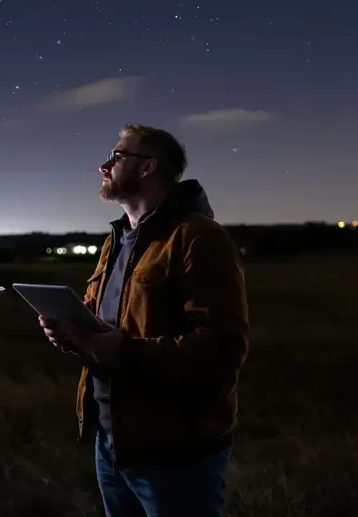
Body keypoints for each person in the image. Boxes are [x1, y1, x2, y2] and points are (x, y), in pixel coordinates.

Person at [38, 124, 249, 517]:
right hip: (114, 437)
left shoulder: (200, 239)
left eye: (117, 157)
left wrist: (122, 350)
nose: (104, 165)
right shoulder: (116, 241)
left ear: (149, 167)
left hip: (174, 447)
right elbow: (103, 322)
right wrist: (72, 334)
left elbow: (221, 350)